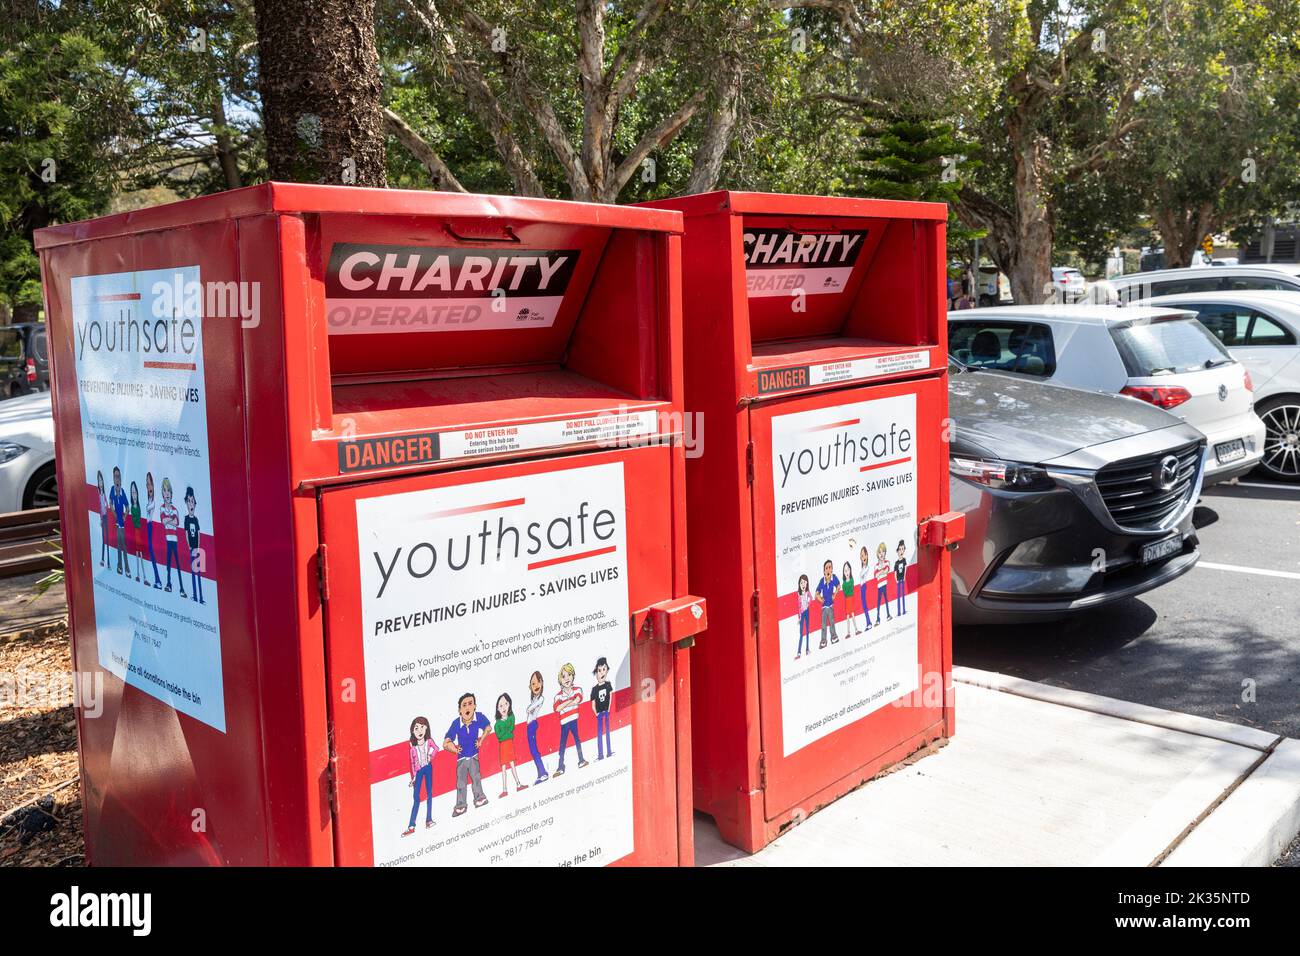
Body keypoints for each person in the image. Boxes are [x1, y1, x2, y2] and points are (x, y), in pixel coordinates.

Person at [442, 692, 490, 817]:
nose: (467, 707)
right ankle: (461, 805)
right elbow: (446, 742)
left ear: (474, 706)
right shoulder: (456, 723)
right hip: (462, 759)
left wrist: (481, 740)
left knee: (476, 778)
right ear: (459, 710)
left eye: (470, 704)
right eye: (464, 705)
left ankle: (479, 798)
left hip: (474, 755)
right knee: (461, 783)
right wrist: (454, 749)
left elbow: (488, 727)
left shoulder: (478, 717)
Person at [552, 663, 587, 775]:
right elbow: (557, 708)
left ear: (573, 676)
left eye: (569, 675)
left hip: (574, 720)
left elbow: (578, 700)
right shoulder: (558, 696)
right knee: (562, 744)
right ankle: (560, 766)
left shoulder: (577, 690)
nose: (567, 678)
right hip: (564, 723)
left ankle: (581, 760)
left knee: (577, 740)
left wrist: (564, 704)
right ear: (560, 680)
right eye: (563, 676)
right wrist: (570, 701)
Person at [403, 716, 435, 835]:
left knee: (429, 794)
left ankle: (429, 820)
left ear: (426, 728)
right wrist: (414, 777)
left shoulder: (429, 742)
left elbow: (436, 748)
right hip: (419, 771)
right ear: (412, 731)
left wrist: (430, 756)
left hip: (428, 768)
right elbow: (412, 763)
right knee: (416, 797)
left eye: (422, 727)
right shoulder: (413, 749)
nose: (419, 730)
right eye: (416, 728)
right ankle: (411, 825)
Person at [493, 693, 527, 797]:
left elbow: (512, 729)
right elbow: (499, 736)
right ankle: (504, 790)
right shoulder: (497, 724)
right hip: (503, 746)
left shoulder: (511, 717)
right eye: (500, 706)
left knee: (512, 765)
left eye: (506, 704)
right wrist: (507, 732)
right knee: (503, 768)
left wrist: (506, 732)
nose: (503, 708)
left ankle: (518, 784)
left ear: (509, 704)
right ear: (497, 709)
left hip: (509, 745)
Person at [160, 478, 186, 597]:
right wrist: (171, 520)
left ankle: (182, 588)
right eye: (165, 490)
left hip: (174, 540)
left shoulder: (175, 510)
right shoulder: (162, 508)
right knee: (169, 563)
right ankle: (168, 584)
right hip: (168, 540)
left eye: (168, 490)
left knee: (178, 565)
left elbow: (177, 522)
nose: (167, 493)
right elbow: (163, 521)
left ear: (171, 493)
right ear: (162, 493)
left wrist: (168, 519)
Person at [524, 671, 549, 785]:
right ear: (530, 686)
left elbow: (529, 709)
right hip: (529, 726)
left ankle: (543, 773)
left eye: (538, 682)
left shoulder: (540, 698)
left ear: (542, 683)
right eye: (533, 684)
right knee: (533, 750)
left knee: (534, 750)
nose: (536, 685)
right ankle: (541, 773)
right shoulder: (534, 699)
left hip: (532, 725)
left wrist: (530, 708)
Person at [183, 487, 204, 604]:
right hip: (191, 548)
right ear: (186, 503)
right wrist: (189, 546)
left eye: (192, 501)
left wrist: (198, 547)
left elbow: (198, 534)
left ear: (195, 504)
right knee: (193, 572)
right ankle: (195, 596)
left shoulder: (196, 519)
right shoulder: (186, 519)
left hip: (197, 548)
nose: (191, 504)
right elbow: (186, 534)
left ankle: (201, 597)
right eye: (189, 501)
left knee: (198, 572)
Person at [591, 657, 614, 760]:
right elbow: (593, 703)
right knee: (600, 733)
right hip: (599, 713)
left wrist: (608, 709)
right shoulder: (594, 689)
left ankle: (609, 752)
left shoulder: (608, 684)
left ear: (607, 670)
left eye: (604, 669)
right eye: (599, 670)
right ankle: (600, 755)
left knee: (607, 731)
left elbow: (610, 697)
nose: (602, 673)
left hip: (606, 711)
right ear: (596, 673)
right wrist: (596, 713)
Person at [815, 560, 840, 649]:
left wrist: (835, 594)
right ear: (824, 571)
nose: (828, 570)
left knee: (832, 622)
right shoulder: (822, 581)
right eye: (826, 568)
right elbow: (816, 593)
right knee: (823, 624)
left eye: (830, 567)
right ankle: (823, 641)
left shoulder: (834, 578)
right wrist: (820, 599)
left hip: (831, 605)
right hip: (824, 607)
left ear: (832, 569)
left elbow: (838, 586)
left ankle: (834, 637)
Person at [142, 472, 162, 588]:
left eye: (150, 484)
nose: (148, 486)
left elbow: (149, 509)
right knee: (151, 553)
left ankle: (158, 580)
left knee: (152, 553)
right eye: (147, 484)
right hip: (148, 527)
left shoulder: (153, 500)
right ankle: (157, 579)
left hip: (152, 527)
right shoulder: (149, 499)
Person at [109, 467, 129, 575]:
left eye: (118, 476)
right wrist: (115, 515)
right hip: (116, 523)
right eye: (115, 476)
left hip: (122, 524)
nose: (117, 479)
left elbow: (128, 506)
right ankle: (120, 566)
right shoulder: (112, 490)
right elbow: (110, 503)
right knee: (119, 545)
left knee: (123, 546)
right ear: (113, 478)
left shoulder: (123, 492)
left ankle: (126, 567)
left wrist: (125, 516)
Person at [128, 482, 144, 582]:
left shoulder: (138, 507)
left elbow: (138, 519)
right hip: (135, 532)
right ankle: (138, 574)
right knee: (137, 553)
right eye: (132, 493)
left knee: (140, 552)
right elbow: (135, 520)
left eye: (135, 493)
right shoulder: (132, 508)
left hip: (139, 532)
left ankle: (144, 576)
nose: (134, 495)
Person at [873, 542, 892, 625]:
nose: (881, 554)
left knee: (886, 600)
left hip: (885, 584)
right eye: (879, 552)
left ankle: (888, 615)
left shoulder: (887, 562)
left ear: (885, 553)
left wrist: (880, 571)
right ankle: (878, 619)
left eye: (883, 551)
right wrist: (882, 571)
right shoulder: (876, 566)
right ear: (877, 554)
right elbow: (876, 575)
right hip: (879, 586)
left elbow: (887, 570)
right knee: (878, 602)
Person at [841, 561, 860, 637]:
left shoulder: (852, 580)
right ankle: (848, 632)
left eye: (848, 570)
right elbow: (845, 592)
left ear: (850, 570)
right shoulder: (844, 583)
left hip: (851, 599)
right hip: (847, 600)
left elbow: (851, 589)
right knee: (848, 617)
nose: (847, 572)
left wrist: (848, 591)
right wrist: (848, 591)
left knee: (852, 615)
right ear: (843, 572)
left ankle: (856, 630)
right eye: (845, 571)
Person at [795, 574, 812, 660]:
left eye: (805, 582)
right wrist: (799, 617)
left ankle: (807, 649)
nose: (803, 584)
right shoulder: (798, 595)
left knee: (808, 631)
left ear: (807, 583)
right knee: (801, 633)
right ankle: (799, 652)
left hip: (807, 612)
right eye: (801, 583)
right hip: (802, 614)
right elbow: (798, 607)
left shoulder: (807, 592)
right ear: (799, 584)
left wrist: (808, 602)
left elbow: (811, 598)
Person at [857, 545, 873, 633]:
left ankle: (869, 623)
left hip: (864, 587)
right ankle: (868, 622)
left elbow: (863, 576)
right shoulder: (863, 567)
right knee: (864, 606)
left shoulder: (866, 568)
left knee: (865, 606)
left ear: (867, 555)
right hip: (862, 587)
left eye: (864, 555)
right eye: (861, 556)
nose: (862, 557)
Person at [96, 471, 109, 567]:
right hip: (102, 518)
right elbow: (99, 507)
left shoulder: (104, 493)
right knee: (103, 538)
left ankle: (108, 560)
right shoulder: (98, 494)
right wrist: (100, 519)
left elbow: (107, 505)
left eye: (101, 481)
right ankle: (103, 559)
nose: (100, 483)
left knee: (107, 538)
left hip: (107, 517)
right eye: (99, 481)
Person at [894, 540, 909, 616]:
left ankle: (903, 610)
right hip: (898, 580)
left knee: (903, 595)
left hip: (902, 579)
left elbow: (905, 568)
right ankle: (899, 612)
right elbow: (895, 572)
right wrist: (896, 579)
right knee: (898, 596)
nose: (901, 551)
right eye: (900, 549)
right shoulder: (896, 563)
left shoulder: (904, 560)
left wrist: (905, 576)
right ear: (897, 551)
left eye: (903, 549)